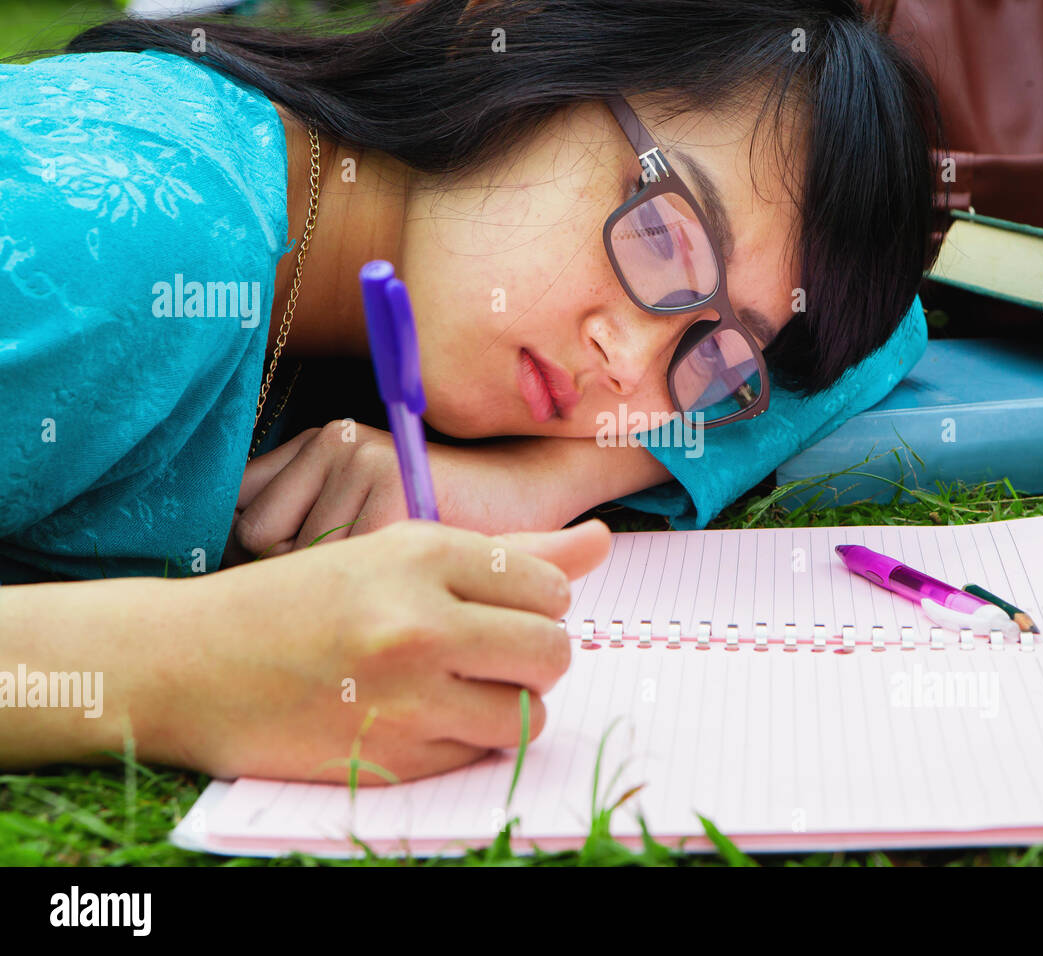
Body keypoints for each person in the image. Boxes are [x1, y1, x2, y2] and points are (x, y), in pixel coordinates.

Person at [0, 0, 940, 781]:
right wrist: (190, 664)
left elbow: (885, 337)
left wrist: (536, 482)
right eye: (666, 237)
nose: (630, 370)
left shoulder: (349, 249)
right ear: (525, 34)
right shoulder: (135, 245)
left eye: (715, 354)